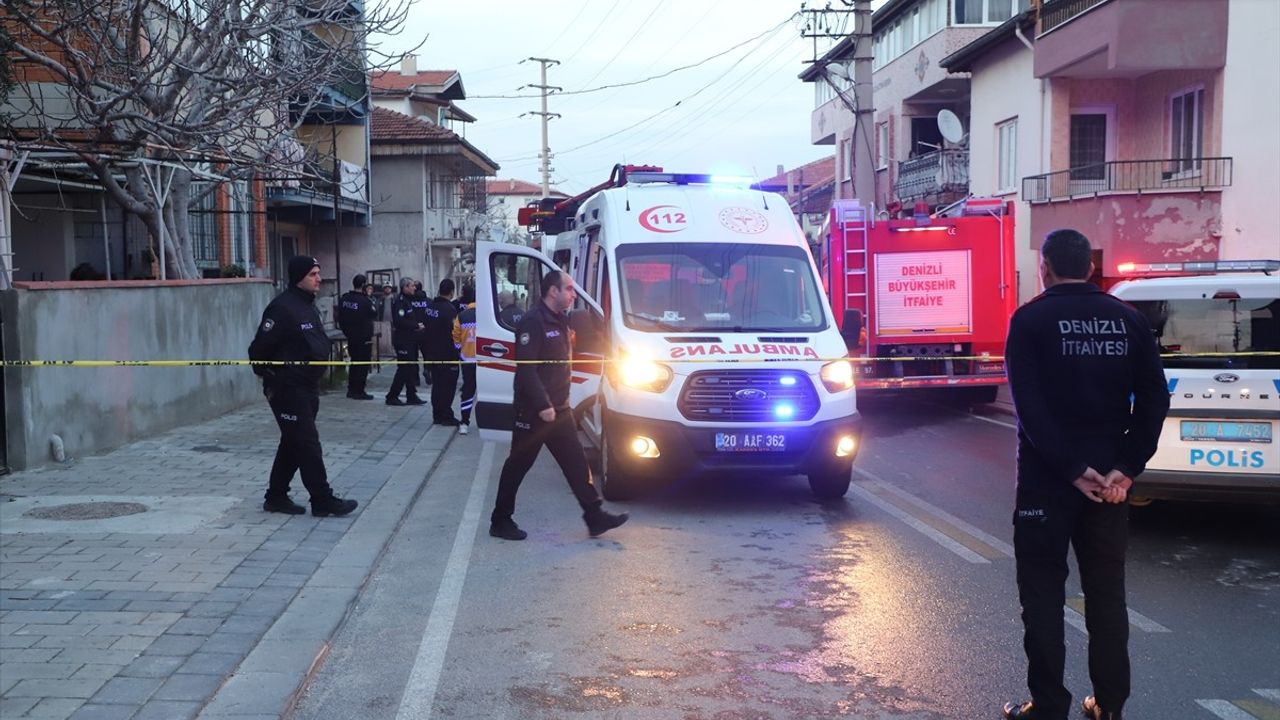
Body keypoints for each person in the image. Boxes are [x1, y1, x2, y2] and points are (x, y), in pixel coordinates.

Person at [1002, 230, 1169, 720]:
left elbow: (1029, 410)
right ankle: (1110, 705)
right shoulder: (1128, 321)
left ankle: (1049, 706)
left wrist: (1073, 470)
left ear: (1046, 269)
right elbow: (1156, 399)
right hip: (1110, 490)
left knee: (1043, 596)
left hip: (1046, 484)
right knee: (1106, 597)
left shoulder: (1029, 320)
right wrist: (1126, 470)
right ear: (1092, 268)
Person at [489, 270, 629, 541]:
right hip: (534, 411)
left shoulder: (561, 321)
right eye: (569, 289)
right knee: (518, 465)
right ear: (553, 291)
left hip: (559, 409)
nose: (573, 295)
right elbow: (527, 370)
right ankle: (500, 520)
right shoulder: (533, 322)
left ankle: (594, 516)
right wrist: (542, 404)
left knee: (576, 463)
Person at [248, 255, 359, 517]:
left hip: (309, 385)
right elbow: (257, 350)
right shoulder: (282, 308)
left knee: (293, 441)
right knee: (308, 443)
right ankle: (322, 499)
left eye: (319, 273)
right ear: (299, 277)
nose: (319, 278)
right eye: (313, 274)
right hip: (288, 388)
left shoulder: (308, 306)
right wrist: (276, 375)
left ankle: (275, 496)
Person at [423, 278, 461, 426]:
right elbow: (454, 333)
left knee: (437, 385)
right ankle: (445, 415)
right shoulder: (450, 310)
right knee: (447, 386)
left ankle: (437, 414)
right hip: (447, 354)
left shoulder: (430, 306)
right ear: (452, 292)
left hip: (431, 352)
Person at [386, 277, 428, 406]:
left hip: (410, 340)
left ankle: (411, 395)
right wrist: (416, 325)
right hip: (402, 341)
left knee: (410, 368)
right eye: (412, 286)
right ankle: (392, 396)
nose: (414, 288)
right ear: (405, 287)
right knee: (403, 369)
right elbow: (399, 321)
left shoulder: (408, 301)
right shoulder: (400, 301)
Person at [338, 274, 378, 400]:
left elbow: (340, 316)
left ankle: (351, 389)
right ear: (363, 285)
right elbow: (374, 313)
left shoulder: (344, 299)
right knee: (363, 364)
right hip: (363, 337)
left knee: (354, 363)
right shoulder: (365, 301)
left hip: (350, 336)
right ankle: (359, 391)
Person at [452, 283, 477, 435]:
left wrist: (460, 350)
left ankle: (464, 422)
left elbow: (455, 336)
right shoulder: (488, 315)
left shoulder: (461, 316)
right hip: (487, 360)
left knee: (468, 390)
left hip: (467, 360)